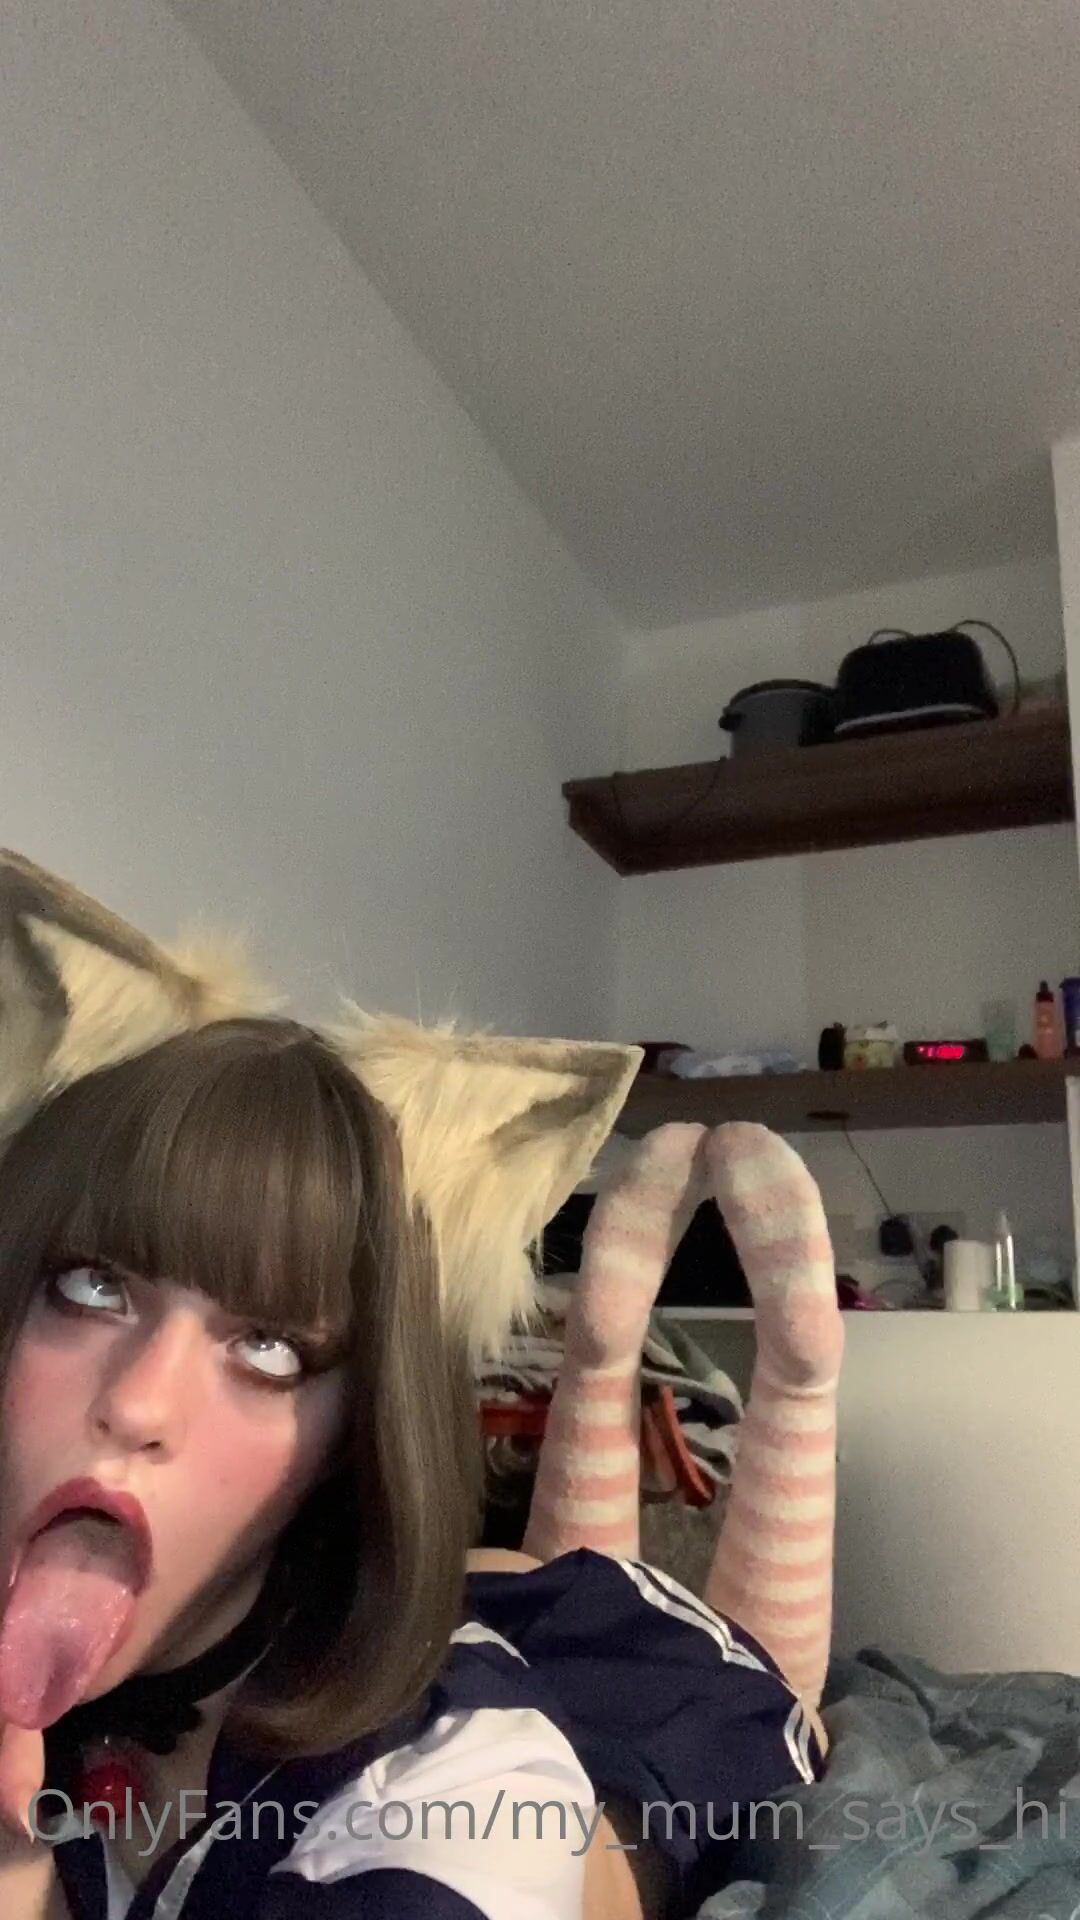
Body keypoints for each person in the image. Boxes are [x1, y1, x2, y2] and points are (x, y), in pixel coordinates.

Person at [0, 851, 840, 1920]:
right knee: (504, 1573)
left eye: (270, 1348)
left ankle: (758, 1377)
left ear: (349, 1438)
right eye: (91, 1286)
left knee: (726, 1659)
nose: (137, 1404)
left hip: (662, 1709)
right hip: (438, 1608)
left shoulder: (454, 1796)